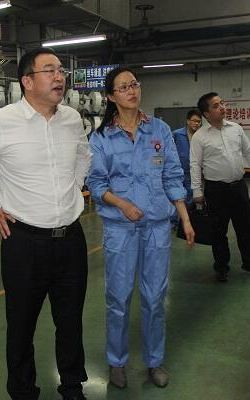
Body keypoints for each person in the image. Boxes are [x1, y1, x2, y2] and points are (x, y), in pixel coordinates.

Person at [0, 47, 91, 400]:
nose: (59, 77)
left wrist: (74, 187)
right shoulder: (1, 121)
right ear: (27, 81)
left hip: (71, 238)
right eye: (50, 70)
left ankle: (72, 385)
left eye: (61, 70)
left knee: (70, 319)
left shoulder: (72, 119)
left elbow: (83, 155)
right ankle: (23, 391)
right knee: (20, 325)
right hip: (24, 242)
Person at [86, 67, 195, 390]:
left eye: (134, 84)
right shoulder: (102, 137)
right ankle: (117, 361)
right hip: (120, 229)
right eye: (123, 87)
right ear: (111, 96)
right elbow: (96, 183)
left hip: (157, 227)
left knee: (155, 297)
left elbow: (172, 177)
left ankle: (154, 360)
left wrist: (185, 218)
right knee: (118, 298)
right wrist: (122, 204)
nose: (132, 91)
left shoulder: (159, 130)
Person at [190, 92, 250, 282]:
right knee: (219, 231)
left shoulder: (236, 129)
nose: (222, 107)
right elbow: (195, 165)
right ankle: (221, 267)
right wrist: (197, 191)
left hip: (239, 187)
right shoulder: (200, 136)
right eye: (216, 106)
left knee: (245, 228)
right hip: (216, 190)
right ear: (207, 114)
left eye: (222, 103)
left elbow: (249, 151)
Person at [172, 108, 202, 207]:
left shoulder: (201, 136)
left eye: (199, 121)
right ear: (188, 121)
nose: (197, 123)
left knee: (192, 200)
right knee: (178, 198)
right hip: (179, 173)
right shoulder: (177, 134)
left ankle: (191, 214)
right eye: (194, 121)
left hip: (194, 174)